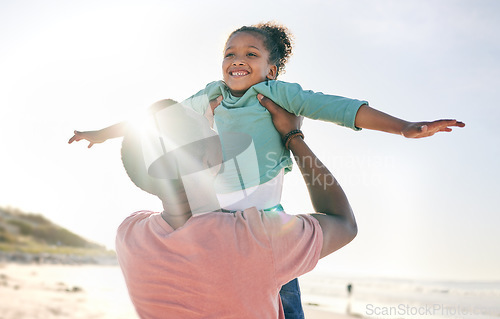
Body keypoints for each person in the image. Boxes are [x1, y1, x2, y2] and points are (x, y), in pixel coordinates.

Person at [69, 22, 465, 318]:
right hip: (218, 220)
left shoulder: (278, 94)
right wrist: (103, 133)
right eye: (230, 52)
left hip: (261, 219)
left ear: (272, 70)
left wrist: (404, 127)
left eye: (251, 54)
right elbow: (153, 121)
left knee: (282, 286)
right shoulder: (211, 96)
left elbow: (340, 108)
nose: (237, 58)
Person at [115, 95, 357, 319]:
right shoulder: (256, 238)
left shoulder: (129, 234)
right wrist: (293, 136)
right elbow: (343, 223)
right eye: (208, 128)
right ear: (205, 160)